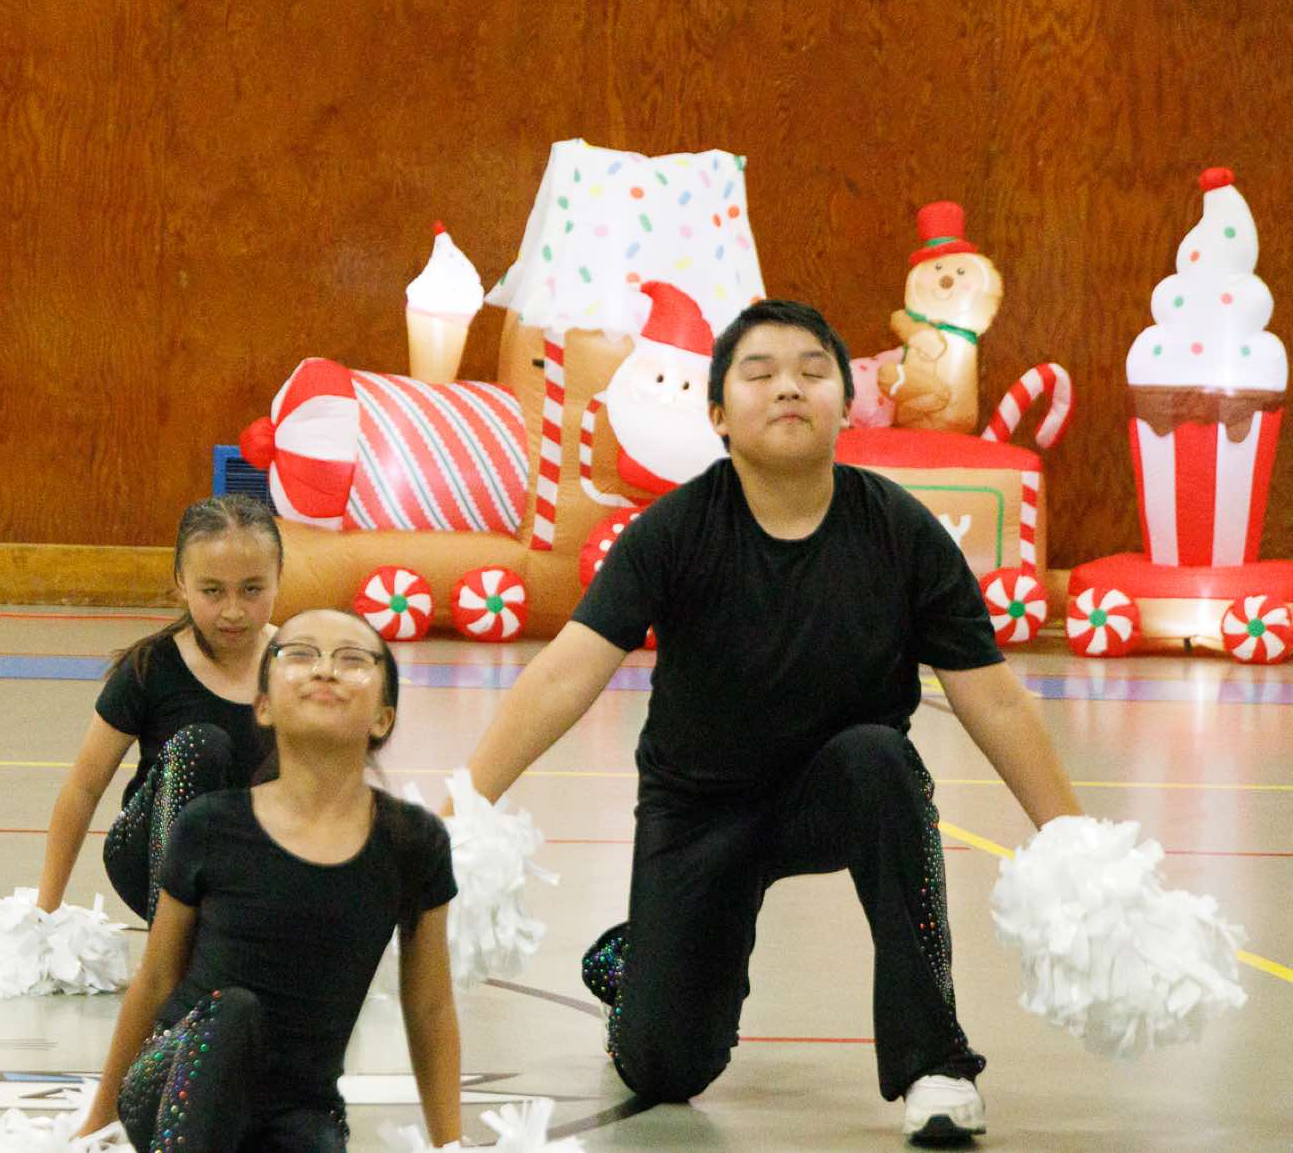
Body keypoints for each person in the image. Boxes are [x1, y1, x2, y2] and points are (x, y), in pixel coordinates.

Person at [460, 299, 1082, 1142]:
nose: (789, 386)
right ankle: (637, 958)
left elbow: (995, 697)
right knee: (668, 1067)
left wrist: (1080, 846)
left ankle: (933, 1063)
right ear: (718, 412)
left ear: (847, 404)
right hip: (698, 810)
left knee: (884, 763)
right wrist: (461, 810)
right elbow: (563, 674)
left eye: (813, 371)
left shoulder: (901, 531)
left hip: (833, 791)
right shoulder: (672, 532)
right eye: (759, 373)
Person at [78, 608, 461, 1151]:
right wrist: (95, 1125)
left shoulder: (412, 842)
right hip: (173, 1080)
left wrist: (450, 1145)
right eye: (299, 654)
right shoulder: (211, 824)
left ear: (383, 717)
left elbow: (430, 1006)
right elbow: (156, 978)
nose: (324, 670)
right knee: (235, 1012)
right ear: (263, 706)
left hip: (297, 1107)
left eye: (352, 660)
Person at [35, 495, 281, 921]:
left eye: (252, 589)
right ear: (182, 582)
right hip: (150, 858)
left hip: (249, 864)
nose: (233, 610)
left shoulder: (299, 665)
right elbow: (83, 788)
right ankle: (170, 937)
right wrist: (45, 911)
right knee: (200, 746)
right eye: (212, 591)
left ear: (279, 578)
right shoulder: (150, 667)